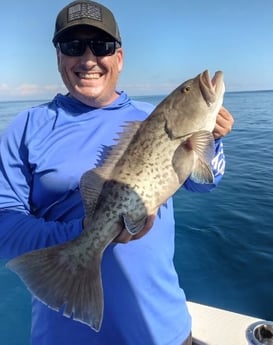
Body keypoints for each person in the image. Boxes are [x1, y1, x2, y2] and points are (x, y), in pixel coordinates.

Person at [0, 1, 234, 344]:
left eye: (102, 46)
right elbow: (4, 224)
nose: (89, 58)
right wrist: (80, 235)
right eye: (73, 46)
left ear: (119, 58)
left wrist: (211, 139)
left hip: (163, 331)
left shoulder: (150, 115)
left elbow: (204, 184)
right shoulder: (26, 127)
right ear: (59, 57)